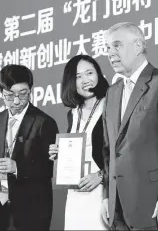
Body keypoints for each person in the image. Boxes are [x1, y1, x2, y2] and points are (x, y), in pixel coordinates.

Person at [100, 22, 158, 230]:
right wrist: (106, 195)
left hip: (154, 204)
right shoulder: (112, 93)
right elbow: (108, 150)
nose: (110, 53)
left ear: (138, 46)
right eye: (108, 48)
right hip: (117, 206)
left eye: (117, 45)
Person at [0, 64, 59, 231]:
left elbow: (50, 168)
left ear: (30, 90)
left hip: (32, 211)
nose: (16, 101)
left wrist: (17, 167)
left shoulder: (44, 122)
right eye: (9, 95)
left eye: (23, 94)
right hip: (2, 206)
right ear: (1, 93)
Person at [48, 55, 109, 230]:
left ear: (99, 74)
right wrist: (60, 152)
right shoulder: (73, 113)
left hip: (101, 188)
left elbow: (121, 149)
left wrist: (100, 176)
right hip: (75, 190)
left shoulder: (111, 105)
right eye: (78, 76)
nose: (85, 80)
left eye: (90, 73)